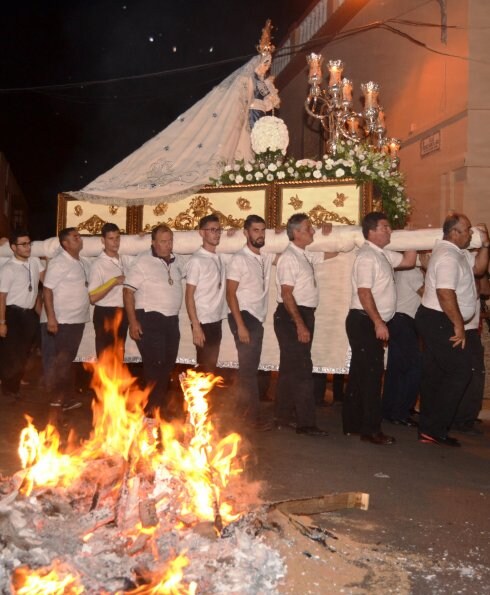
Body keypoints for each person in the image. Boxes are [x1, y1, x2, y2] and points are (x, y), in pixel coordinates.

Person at [415, 214, 489, 447]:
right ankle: (435, 428)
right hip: (440, 319)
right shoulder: (447, 256)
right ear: (455, 232)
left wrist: (486, 244)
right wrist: (458, 325)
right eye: (467, 230)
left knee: (436, 373)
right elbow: (444, 293)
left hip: (441, 319)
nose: (471, 234)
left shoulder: (459, 253)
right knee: (460, 371)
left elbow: (479, 269)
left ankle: (429, 428)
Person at [343, 212, 416, 445]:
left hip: (368, 320)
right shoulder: (367, 256)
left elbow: (409, 261)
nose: (389, 231)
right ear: (371, 231)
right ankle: (371, 430)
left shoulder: (382, 254)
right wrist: (378, 322)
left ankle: (353, 424)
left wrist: (414, 237)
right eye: (385, 227)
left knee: (359, 376)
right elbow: (364, 292)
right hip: (365, 321)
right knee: (372, 378)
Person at [274, 213, 337, 437]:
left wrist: (332, 230)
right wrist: (300, 324)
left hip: (300, 314)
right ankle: (306, 423)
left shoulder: (304, 256)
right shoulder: (289, 258)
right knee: (302, 371)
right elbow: (286, 293)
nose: (313, 232)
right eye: (309, 228)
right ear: (296, 233)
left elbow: (335, 251)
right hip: (292, 315)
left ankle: (282, 416)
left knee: (291, 370)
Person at [123, 224, 185, 419]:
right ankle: (149, 414)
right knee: (154, 367)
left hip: (171, 321)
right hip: (150, 319)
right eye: (163, 242)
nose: (168, 245)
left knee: (167, 366)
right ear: (153, 242)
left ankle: (155, 408)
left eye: (170, 241)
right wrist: (133, 322)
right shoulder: (142, 261)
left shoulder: (177, 261)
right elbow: (127, 292)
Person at [226, 214, 275, 430]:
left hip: (255, 318)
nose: (260, 234)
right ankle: (252, 418)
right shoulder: (239, 259)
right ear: (246, 232)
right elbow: (230, 294)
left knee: (248, 370)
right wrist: (241, 325)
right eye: (255, 230)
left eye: (263, 230)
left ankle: (238, 414)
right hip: (244, 317)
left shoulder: (263, 257)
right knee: (248, 371)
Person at [42, 227, 90, 410]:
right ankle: (57, 399)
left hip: (77, 320)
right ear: (65, 243)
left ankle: (66, 398)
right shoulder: (59, 262)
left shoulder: (81, 262)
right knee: (61, 361)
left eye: (79, 236)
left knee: (68, 360)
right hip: (63, 321)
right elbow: (47, 289)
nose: (79, 239)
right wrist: (51, 318)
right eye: (75, 237)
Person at [0, 230, 45, 399]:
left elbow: (45, 280)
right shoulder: (8, 269)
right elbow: (2, 297)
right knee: (11, 353)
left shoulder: (34, 261)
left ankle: (15, 385)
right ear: (13, 247)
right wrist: (2, 322)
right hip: (12, 313)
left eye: (29, 243)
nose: (28, 247)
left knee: (25, 352)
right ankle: (9, 389)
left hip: (29, 314)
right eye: (23, 244)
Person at [381, 267, 424, 427]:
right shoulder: (412, 271)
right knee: (412, 368)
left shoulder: (404, 270)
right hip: (403, 320)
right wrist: (427, 269)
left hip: (400, 321)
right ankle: (399, 412)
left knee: (397, 370)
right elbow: (428, 295)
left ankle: (391, 410)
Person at [184, 214, 226, 375]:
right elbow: (189, 295)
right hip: (203, 322)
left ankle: (207, 400)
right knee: (204, 370)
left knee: (211, 369)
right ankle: (199, 400)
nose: (216, 233)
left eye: (218, 230)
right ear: (202, 233)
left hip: (216, 320)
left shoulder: (219, 257)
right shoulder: (196, 260)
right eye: (212, 230)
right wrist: (196, 326)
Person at [88, 222, 131, 361]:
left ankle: (117, 383)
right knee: (106, 356)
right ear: (103, 240)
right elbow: (92, 297)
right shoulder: (98, 264)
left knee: (119, 354)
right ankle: (103, 383)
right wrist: (113, 282)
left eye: (117, 238)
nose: (115, 242)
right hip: (106, 313)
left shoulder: (124, 260)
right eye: (111, 238)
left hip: (122, 311)